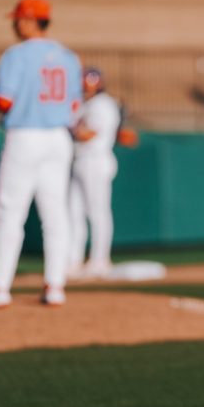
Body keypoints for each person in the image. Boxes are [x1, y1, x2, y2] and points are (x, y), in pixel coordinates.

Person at [0, 0, 82, 308]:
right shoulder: (68, 56)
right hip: (59, 137)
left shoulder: (15, 55)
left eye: (18, 19)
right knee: (55, 214)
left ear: (28, 21)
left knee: (9, 212)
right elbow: (74, 106)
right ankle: (55, 285)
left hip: (25, 135)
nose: (14, 24)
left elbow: (4, 101)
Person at [68, 67, 122, 279]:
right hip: (80, 160)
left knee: (97, 212)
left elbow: (87, 134)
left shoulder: (103, 104)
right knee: (74, 211)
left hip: (96, 160)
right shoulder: (84, 104)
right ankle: (74, 259)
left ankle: (100, 259)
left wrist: (68, 128)